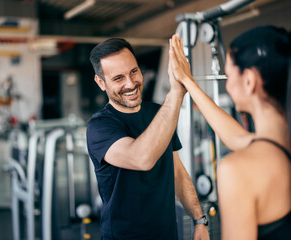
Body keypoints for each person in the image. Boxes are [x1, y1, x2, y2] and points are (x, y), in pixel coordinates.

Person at [168, 26, 291, 239]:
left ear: (249, 81)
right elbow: (237, 138)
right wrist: (188, 81)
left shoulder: (238, 169)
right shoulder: (277, 150)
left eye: (228, 75)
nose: (229, 86)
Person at [86, 38, 210, 239]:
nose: (130, 83)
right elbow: (141, 158)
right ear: (101, 82)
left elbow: (177, 172)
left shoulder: (158, 113)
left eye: (134, 71)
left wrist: (199, 221)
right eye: (118, 78)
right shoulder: (99, 127)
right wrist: (177, 91)